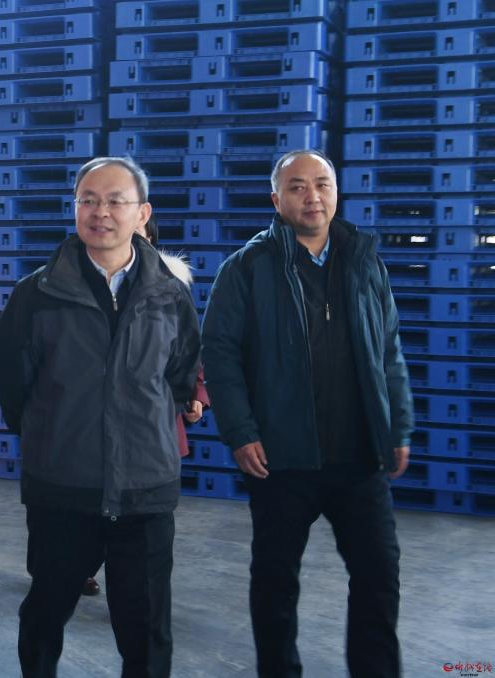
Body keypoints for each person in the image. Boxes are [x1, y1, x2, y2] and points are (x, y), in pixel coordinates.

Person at [201, 149, 413, 678]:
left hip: (359, 456)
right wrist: (240, 431)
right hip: (281, 458)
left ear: (336, 192)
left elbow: (389, 350)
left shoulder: (364, 260)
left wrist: (397, 424)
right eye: (297, 187)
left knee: (379, 575)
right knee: (276, 582)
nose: (312, 196)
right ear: (276, 200)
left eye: (322, 184)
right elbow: (220, 355)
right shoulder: (247, 267)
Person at [0, 156, 201, 678]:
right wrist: (51, 436)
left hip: (145, 488)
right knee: (45, 613)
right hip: (63, 486)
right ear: (75, 209)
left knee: (146, 628)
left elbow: (181, 375)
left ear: (142, 213)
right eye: (88, 200)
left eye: (114, 201)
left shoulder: (170, 293)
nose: (100, 212)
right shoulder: (36, 293)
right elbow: (13, 382)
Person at [81, 213, 210, 599]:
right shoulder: (84, 287)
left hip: (155, 424)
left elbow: (189, 351)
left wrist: (196, 395)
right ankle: (81, 564)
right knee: (96, 502)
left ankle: (134, 588)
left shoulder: (172, 290)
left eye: (141, 236)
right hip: (99, 420)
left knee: (145, 511)